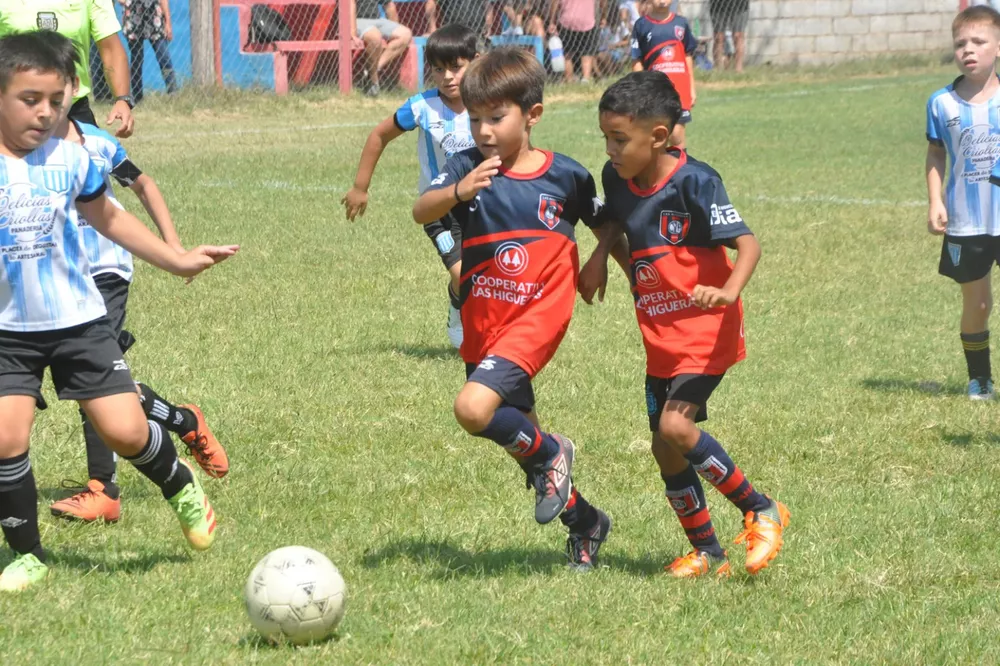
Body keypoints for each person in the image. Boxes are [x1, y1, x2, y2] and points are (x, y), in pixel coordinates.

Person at [0, 31, 237, 591]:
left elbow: (110, 218)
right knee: (7, 438)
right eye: (29, 99)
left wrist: (174, 259)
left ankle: (179, 483)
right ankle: (27, 553)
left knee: (127, 432)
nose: (45, 112)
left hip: (80, 322)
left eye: (56, 101)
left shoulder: (72, 157)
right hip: (9, 332)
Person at [580, 71, 789, 578]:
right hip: (659, 334)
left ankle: (760, 508)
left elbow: (748, 244)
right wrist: (600, 256)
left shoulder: (696, 181)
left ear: (656, 136)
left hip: (706, 327)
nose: (609, 148)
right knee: (663, 446)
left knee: (677, 425)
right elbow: (615, 221)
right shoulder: (617, 178)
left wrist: (728, 290)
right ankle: (708, 550)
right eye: (605, 136)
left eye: (619, 138)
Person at [412, 47, 611, 570]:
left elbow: (606, 223)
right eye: (475, 118)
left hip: (537, 317)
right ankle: (586, 524)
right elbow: (421, 210)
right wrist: (458, 189)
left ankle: (553, 451)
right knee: (527, 452)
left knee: (472, 410)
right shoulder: (466, 167)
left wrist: (599, 260)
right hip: (485, 321)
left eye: (496, 118)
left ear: (533, 115)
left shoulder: (565, 177)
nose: (483, 130)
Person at [343, 24, 480, 349]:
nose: (448, 76)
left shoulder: (490, 104)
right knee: (462, 275)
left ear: (476, 61)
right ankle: (457, 308)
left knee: (488, 272)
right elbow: (379, 135)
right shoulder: (421, 106)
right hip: (437, 207)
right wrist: (360, 187)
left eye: (457, 67)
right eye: (438, 69)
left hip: (482, 202)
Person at [929, 6, 1000, 400]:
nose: (968, 50)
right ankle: (980, 380)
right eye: (960, 44)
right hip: (967, 221)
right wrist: (935, 200)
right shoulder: (941, 103)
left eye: (978, 42)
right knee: (979, 302)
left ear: (998, 47)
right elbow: (936, 155)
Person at [0, 0, 136, 137]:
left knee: (105, 156)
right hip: (16, 108)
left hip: (74, 108)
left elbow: (110, 48)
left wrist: (122, 99)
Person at [630, 0, 696, 148]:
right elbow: (637, 59)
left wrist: (691, 87)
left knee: (677, 134)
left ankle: (681, 168)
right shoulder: (642, 25)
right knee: (656, 135)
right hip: (655, 90)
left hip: (680, 88)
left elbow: (687, 56)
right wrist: (640, 89)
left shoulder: (681, 23)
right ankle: (658, 168)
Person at [118, 0, 178, 103]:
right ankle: (137, 97)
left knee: (163, 57)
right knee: (137, 59)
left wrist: (168, 22)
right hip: (134, 17)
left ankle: (173, 93)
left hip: (154, 17)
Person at [352, 0, 414, 97]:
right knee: (375, 37)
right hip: (357, 20)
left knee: (406, 34)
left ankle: (373, 70)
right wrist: (352, 33)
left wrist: (394, 29)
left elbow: (389, 5)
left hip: (378, 20)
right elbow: (350, 4)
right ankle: (373, 82)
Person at [549, 0, 605, 82]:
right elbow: (602, 3)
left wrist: (552, 21)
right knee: (586, 53)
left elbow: (555, 3)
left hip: (567, 20)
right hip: (587, 20)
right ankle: (586, 79)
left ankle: (569, 78)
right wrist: (603, 15)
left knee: (567, 54)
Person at [709, 0, 748, 73]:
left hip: (740, 5)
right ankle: (718, 69)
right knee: (719, 37)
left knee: (738, 36)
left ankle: (738, 69)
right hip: (718, 5)